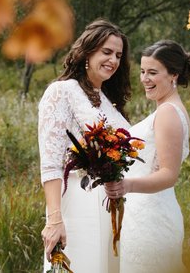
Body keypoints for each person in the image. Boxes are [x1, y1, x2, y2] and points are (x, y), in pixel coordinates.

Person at [38, 19, 132, 273]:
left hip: (110, 210)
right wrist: (54, 219)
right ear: (87, 52)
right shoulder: (62, 92)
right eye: (107, 52)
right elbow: (51, 162)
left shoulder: (107, 101)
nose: (113, 60)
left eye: (119, 55)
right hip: (78, 207)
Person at [105, 40, 190, 273]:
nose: (145, 78)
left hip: (152, 220)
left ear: (173, 74)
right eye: (143, 71)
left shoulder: (168, 113)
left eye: (153, 72)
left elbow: (168, 174)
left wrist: (126, 185)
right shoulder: (167, 108)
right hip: (142, 215)